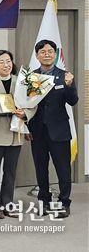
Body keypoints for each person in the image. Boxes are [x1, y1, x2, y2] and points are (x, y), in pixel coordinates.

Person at [27, 39, 78, 218]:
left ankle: (64, 202)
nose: (47, 54)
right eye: (43, 52)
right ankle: (44, 201)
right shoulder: (31, 77)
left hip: (59, 131)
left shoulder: (65, 76)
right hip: (37, 131)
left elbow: (73, 101)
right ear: (37, 55)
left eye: (50, 51)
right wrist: (27, 128)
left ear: (55, 55)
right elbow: (26, 104)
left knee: (63, 170)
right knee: (41, 169)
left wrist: (69, 85)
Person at [0, 50, 27, 219]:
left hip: (16, 132)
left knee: (10, 172)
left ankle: (7, 204)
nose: (6, 65)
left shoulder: (21, 82)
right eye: (1, 62)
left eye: (8, 61)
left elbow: (32, 104)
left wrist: (25, 113)